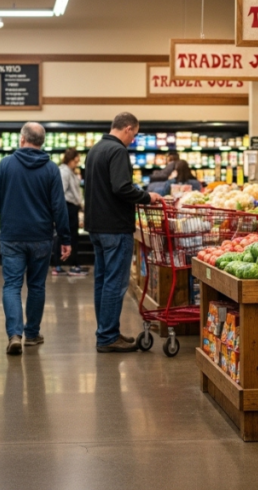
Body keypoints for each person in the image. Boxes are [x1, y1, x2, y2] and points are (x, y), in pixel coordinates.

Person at [0, 123, 71, 355]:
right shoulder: (51, 169)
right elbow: (59, 207)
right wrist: (66, 238)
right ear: (42, 142)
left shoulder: (6, 165)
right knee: (37, 286)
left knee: (11, 285)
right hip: (41, 237)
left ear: (22, 140)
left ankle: (14, 334)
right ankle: (32, 333)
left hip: (12, 236)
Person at [85, 112, 162, 353]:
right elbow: (121, 187)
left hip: (96, 226)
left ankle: (107, 331)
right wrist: (147, 197)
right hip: (115, 227)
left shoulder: (95, 149)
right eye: (135, 135)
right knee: (115, 283)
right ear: (127, 128)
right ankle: (108, 336)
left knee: (102, 281)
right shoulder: (117, 151)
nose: (134, 140)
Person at [53, 148, 86, 277]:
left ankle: (73, 264)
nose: (76, 164)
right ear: (70, 159)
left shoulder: (70, 172)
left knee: (71, 236)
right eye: (75, 161)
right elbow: (60, 192)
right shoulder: (64, 172)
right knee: (64, 236)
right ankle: (63, 266)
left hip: (71, 207)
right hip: (67, 207)